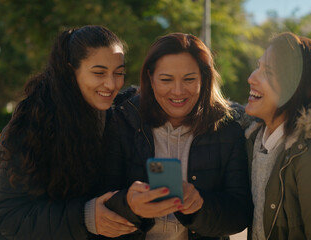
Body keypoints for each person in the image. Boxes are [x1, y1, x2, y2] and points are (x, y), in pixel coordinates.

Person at [0, 25, 138, 239]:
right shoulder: (32, 123)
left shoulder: (110, 116)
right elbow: (9, 215)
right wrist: (85, 217)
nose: (111, 83)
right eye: (99, 73)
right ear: (70, 71)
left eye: (119, 73)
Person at [101, 33, 252, 240]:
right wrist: (129, 204)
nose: (178, 91)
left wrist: (200, 206)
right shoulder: (122, 122)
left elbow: (239, 214)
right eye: (166, 80)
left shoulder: (228, 130)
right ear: (150, 79)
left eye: (189, 79)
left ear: (204, 80)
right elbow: (99, 200)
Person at [245, 32, 311, 240]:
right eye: (258, 66)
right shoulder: (253, 138)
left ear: (301, 88)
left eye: (269, 73)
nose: (251, 78)